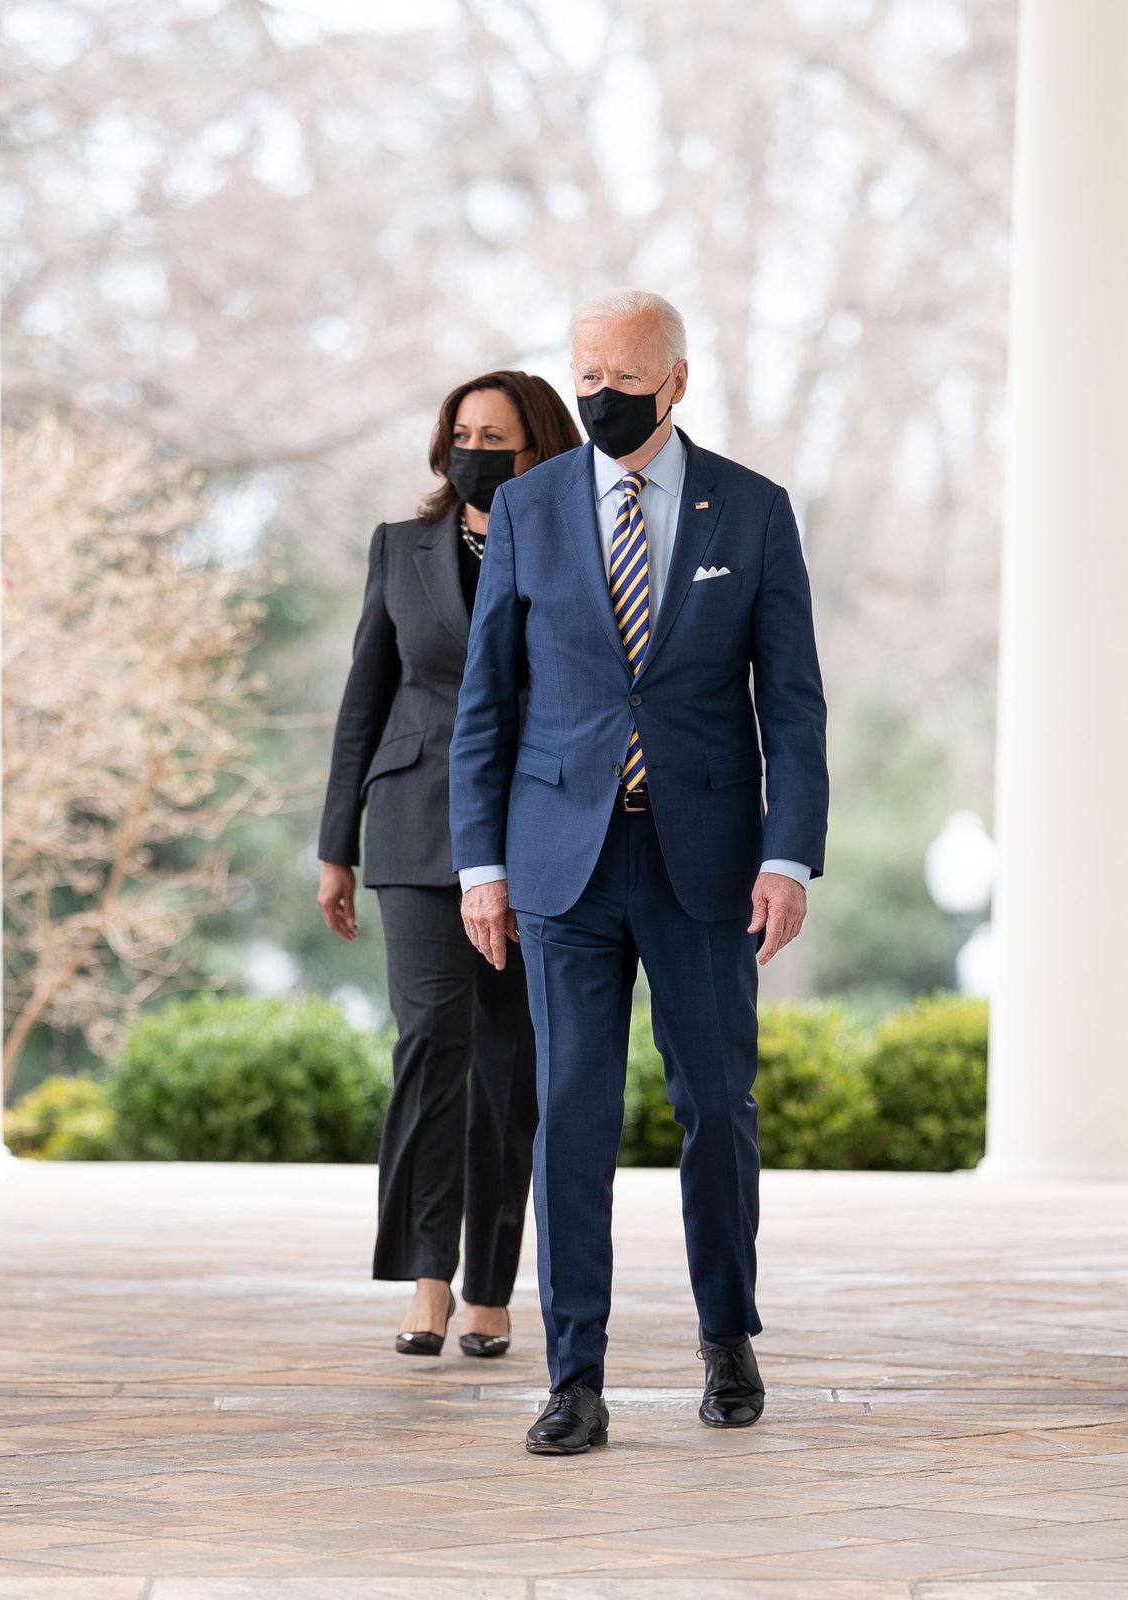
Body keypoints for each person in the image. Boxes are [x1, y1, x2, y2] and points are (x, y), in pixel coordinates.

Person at [449, 290, 829, 1454]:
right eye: (582, 371)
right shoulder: (528, 506)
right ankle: (575, 1373)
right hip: (562, 862)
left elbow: (795, 706)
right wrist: (481, 864)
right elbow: (487, 704)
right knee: (571, 1115)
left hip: (706, 863)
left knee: (715, 1105)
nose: (595, 392)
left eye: (618, 374)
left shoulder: (752, 512)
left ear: (673, 381)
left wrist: (788, 855)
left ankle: (727, 1333)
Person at [318, 371, 584, 1360]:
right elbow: (364, 699)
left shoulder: (575, 540)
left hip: (541, 826)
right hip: (416, 825)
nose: (474, 448)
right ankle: (426, 1277)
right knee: (434, 1042)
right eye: (462, 432)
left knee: (511, 1062)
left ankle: (490, 1286)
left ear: (539, 451)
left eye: (497, 436)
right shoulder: (400, 547)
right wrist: (333, 845)